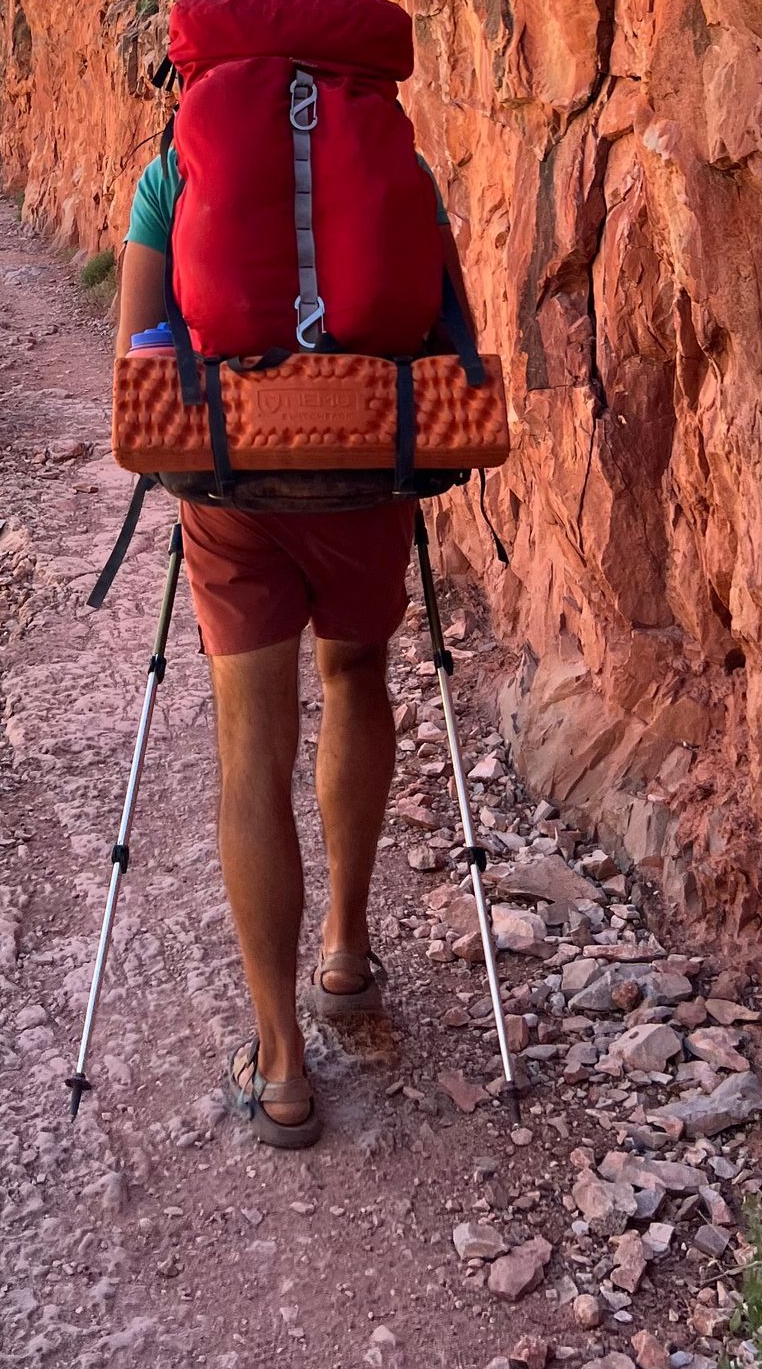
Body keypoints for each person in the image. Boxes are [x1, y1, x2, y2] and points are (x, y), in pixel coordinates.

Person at [114, 137, 479, 1148]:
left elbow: (138, 362)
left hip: (234, 489)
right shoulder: (400, 162)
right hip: (366, 474)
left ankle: (280, 1064)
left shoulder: (175, 168)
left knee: (252, 744)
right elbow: (453, 331)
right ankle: (347, 955)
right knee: (358, 675)